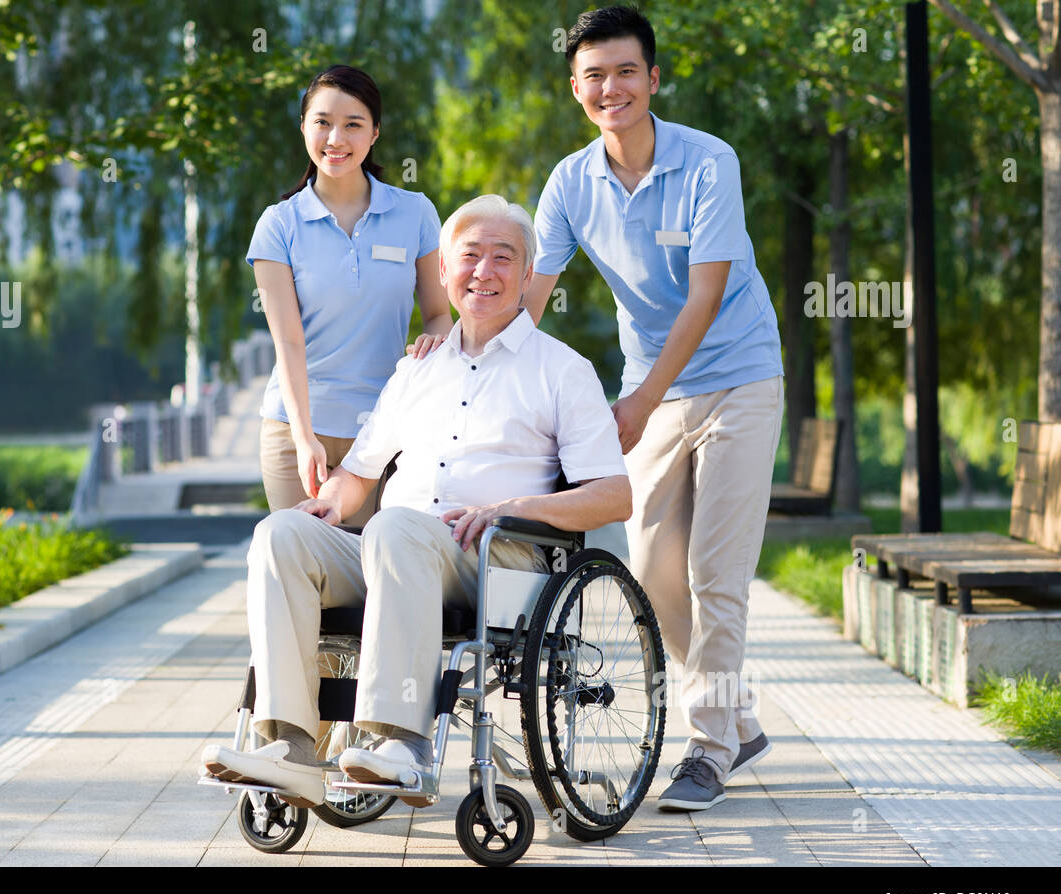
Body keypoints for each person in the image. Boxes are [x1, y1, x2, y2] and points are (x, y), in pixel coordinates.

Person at [203, 195, 632, 807]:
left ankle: (400, 743)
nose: (483, 271)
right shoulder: (417, 370)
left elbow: (614, 496)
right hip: (395, 549)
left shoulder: (561, 370)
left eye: (502, 258)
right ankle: (292, 749)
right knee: (281, 535)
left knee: (396, 528)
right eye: (469, 256)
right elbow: (357, 476)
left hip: (496, 559)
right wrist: (328, 504)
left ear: (528, 276)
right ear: (442, 273)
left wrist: (512, 508)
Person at [524, 5, 784, 812]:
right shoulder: (571, 182)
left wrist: (638, 398)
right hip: (654, 389)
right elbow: (527, 297)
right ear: (576, 88)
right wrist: (460, 362)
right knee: (654, 572)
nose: (612, 88)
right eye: (594, 76)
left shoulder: (709, 162)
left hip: (739, 375)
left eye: (626, 72)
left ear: (653, 79)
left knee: (716, 568)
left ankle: (709, 750)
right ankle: (736, 716)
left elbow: (705, 295)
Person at [248, 65, 453, 527]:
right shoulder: (278, 225)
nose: (335, 138)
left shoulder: (415, 213)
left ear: (375, 132)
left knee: (379, 579)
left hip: (389, 433)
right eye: (321, 122)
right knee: (304, 576)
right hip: (297, 433)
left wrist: (433, 339)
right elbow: (288, 343)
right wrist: (304, 440)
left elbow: (439, 314)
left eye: (353, 124)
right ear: (303, 127)